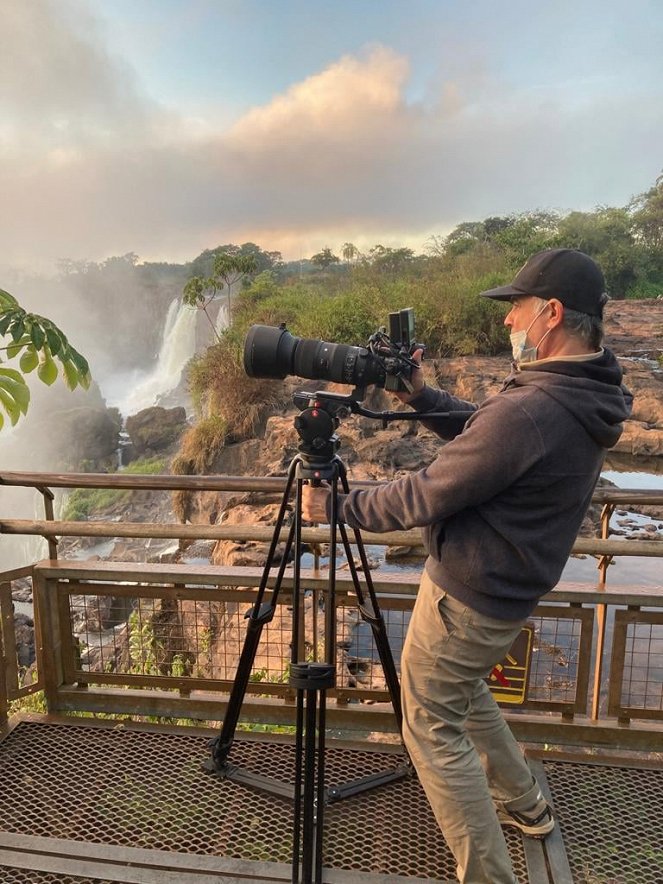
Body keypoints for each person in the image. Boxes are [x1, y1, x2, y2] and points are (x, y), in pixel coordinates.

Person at [301, 249, 633, 884]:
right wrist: (423, 397)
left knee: (430, 725)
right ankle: (528, 804)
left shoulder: (533, 408)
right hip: (508, 591)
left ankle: (487, 876)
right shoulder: (587, 388)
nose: (509, 323)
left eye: (516, 310)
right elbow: (487, 434)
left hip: (470, 597)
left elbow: (427, 492)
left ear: (553, 314)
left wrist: (339, 506)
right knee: (463, 690)